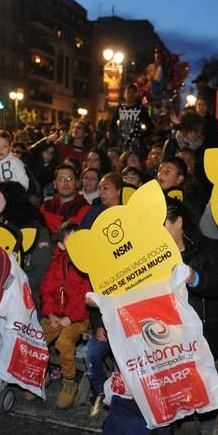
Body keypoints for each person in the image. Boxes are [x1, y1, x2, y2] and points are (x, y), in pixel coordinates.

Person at [164, 197, 218, 435]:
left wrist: (195, 277)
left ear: (178, 223)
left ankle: (186, 431)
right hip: (163, 329)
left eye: (162, 225)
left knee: (181, 359)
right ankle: (150, 426)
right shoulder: (149, 254)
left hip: (204, 328)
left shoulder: (208, 247)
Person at [83, 173, 124, 416]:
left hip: (128, 324)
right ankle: (101, 392)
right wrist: (99, 323)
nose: (101, 193)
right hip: (106, 320)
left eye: (106, 188)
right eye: (100, 189)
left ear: (119, 191)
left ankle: (121, 403)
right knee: (91, 355)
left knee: (124, 364)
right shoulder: (95, 213)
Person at [38, 222, 92, 409]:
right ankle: (41, 372)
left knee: (63, 341)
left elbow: (87, 296)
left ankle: (69, 381)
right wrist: (51, 314)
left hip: (80, 317)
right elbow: (46, 290)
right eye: (71, 241)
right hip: (58, 315)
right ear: (61, 246)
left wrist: (69, 317)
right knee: (38, 336)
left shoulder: (87, 264)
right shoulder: (57, 264)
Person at [0, 181, 52, 305]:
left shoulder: (36, 233)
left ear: (10, 202)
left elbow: (39, 272)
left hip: (22, 301)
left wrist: (6, 287)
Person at [40, 162, 90, 235]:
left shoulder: (85, 207)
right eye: (61, 179)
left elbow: (68, 233)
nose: (66, 183)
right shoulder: (46, 205)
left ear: (76, 183)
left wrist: (49, 219)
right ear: (54, 184)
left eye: (70, 179)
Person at [110, 83, 153, 150]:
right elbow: (112, 126)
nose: (130, 95)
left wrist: (140, 138)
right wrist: (117, 138)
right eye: (128, 92)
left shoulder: (141, 109)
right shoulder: (120, 108)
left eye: (133, 93)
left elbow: (150, 126)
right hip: (122, 145)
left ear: (136, 94)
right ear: (125, 94)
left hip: (136, 146)